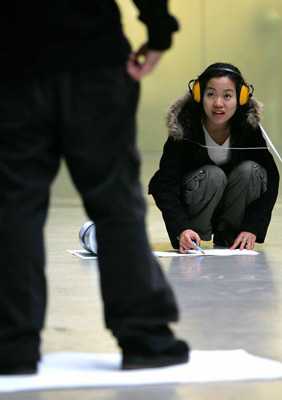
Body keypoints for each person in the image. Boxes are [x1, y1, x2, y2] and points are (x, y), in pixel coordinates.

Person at [0, 1, 189, 375]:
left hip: (13, 62)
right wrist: (158, 29)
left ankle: (12, 345)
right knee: (115, 201)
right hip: (93, 57)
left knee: (14, 204)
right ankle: (145, 338)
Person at [149, 62, 280, 253]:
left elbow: (272, 179)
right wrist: (181, 229)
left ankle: (230, 234)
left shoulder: (248, 128)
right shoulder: (184, 127)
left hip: (233, 211)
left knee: (252, 171)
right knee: (212, 175)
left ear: (241, 98)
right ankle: (193, 235)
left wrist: (251, 228)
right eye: (210, 94)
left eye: (227, 96)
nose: (218, 103)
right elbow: (165, 184)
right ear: (199, 95)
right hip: (192, 215)